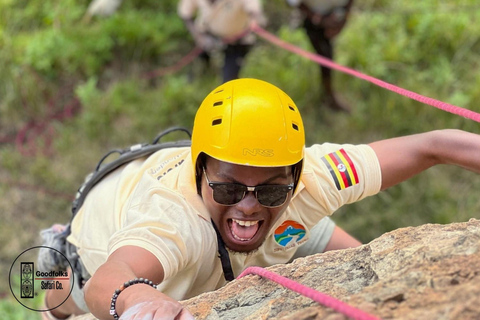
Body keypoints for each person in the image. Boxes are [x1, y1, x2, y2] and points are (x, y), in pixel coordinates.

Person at [39, 78, 480, 320]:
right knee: (59, 302)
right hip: (95, 241)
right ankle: (52, 258)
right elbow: (110, 279)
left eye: (270, 189)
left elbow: (434, 145)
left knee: (336, 247)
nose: (249, 204)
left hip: (273, 230)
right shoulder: (174, 222)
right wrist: (139, 303)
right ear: (201, 174)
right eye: (229, 188)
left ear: (297, 174)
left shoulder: (315, 178)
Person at [286, 0, 354, 112]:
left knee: (327, 55)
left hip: (334, 15)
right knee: (325, 56)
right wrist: (317, 19)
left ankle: (328, 95)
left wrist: (342, 20)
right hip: (313, 18)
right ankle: (328, 96)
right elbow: (293, 2)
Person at [177, 0, 266, 83]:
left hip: (237, 41)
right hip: (207, 36)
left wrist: (256, 20)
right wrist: (199, 37)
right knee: (199, 65)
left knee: (229, 80)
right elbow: (186, 14)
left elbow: (255, 12)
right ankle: (197, 80)